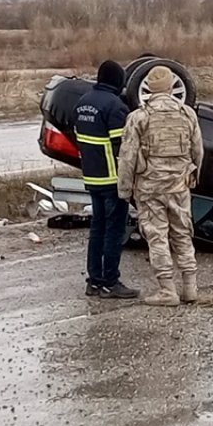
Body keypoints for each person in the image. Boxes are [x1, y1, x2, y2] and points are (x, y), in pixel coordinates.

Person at [118, 65, 204, 307]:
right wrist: (194, 175)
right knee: (183, 233)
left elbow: (128, 157)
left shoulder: (139, 117)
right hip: (179, 186)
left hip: (149, 188)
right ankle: (190, 287)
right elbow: (198, 151)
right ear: (169, 88)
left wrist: (124, 190)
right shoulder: (187, 114)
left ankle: (167, 290)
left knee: (157, 236)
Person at [75, 60, 138, 299]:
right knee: (114, 231)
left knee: (97, 229)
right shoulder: (115, 106)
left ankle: (94, 281)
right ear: (117, 81)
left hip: (92, 178)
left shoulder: (82, 103)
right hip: (113, 180)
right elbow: (123, 148)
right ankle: (111, 282)